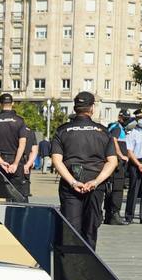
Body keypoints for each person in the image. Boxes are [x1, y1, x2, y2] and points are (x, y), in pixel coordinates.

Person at [50, 91, 118, 247]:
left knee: (70, 228)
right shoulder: (102, 131)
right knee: (90, 228)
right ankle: (89, 263)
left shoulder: (62, 131)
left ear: (75, 108)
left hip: (71, 183)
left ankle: (70, 265)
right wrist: (96, 181)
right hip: (95, 185)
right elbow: (112, 162)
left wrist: (73, 182)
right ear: (92, 108)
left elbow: (56, 160)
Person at [0, 93, 31, 200]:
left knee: (0, 195)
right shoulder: (20, 121)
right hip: (17, 161)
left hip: (1, 162)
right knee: (19, 197)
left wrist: (1, 162)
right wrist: (15, 163)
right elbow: (22, 144)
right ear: (13, 103)